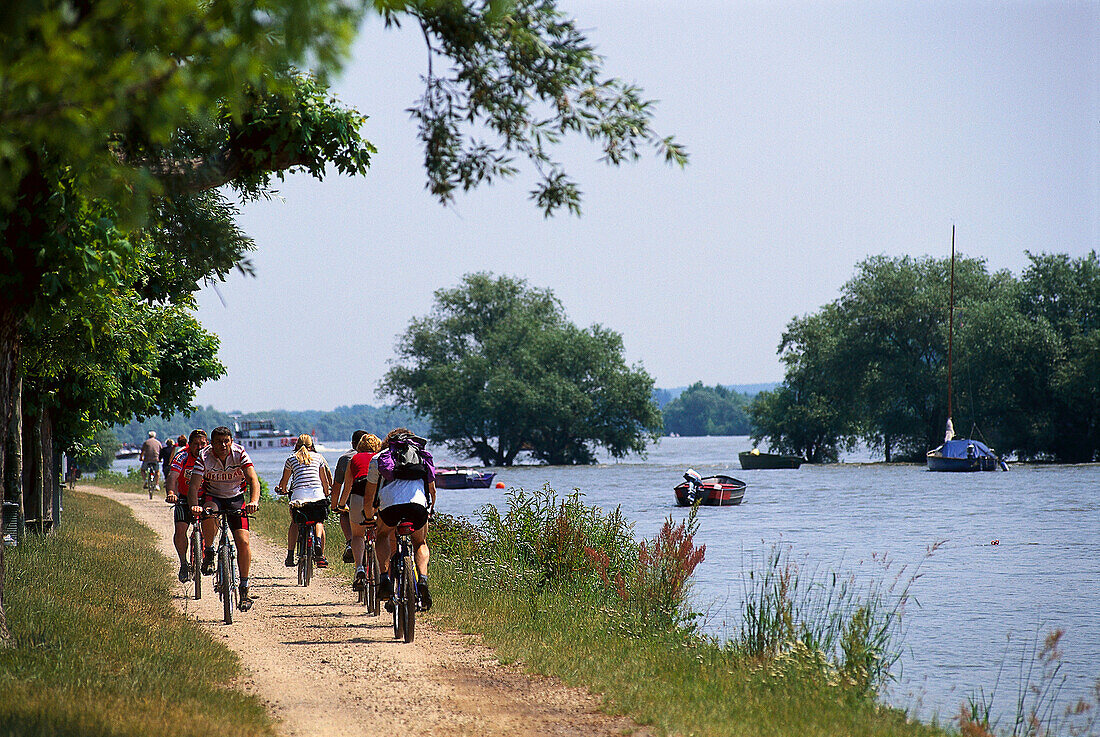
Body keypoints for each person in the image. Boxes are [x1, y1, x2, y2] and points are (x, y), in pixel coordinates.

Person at [361, 428, 436, 610]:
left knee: (383, 535)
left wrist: (370, 518)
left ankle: (385, 578)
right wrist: (430, 510)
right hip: (417, 506)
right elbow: (432, 491)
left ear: (388, 442)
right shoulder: (422, 455)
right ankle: (423, 580)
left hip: (390, 507)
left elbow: (369, 496)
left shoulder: (379, 458)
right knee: (420, 543)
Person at [188, 425, 261, 611]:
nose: (223, 445)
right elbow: (194, 486)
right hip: (214, 496)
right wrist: (194, 506)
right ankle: (210, 551)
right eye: (219, 442)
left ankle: (244, 589)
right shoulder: (204, 456)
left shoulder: (240, 453)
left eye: (226, 441)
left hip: (236, 498)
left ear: (231, 441)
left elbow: (253, 479)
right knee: (208, 513)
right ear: (211, 443)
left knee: (243, 542)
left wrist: (253, 501)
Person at [331, 433, 382, 591]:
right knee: (382, 535)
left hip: (357, 498)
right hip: (378, 500)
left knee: (358, 535)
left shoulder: (354, 459)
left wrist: (340, 505)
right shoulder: (380, 458)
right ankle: (383, 571)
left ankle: (359, 567)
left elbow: (347, 486)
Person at [274, 434, 332, 569]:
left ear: (296, 446)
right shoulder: (318, 458)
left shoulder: (291, 459)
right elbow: (324, 481)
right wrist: (327, 493)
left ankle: (289, 555)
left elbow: (284, 482)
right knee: (319, 522)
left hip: (298, 498)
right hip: (317, 496)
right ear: (312, 446)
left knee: (295, 522)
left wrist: (281, 490)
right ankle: (319, 550)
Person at [165, 429, 208, 582]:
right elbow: (172, 476)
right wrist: (171, 492)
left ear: (207, 443)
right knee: (180, 529)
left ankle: (209, 552)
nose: (200, 447)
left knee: (211, 525)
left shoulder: (210, 456)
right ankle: (184, 563)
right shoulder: (182, 455)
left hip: (205, 497)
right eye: (196, 444)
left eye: (203, 444)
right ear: (189, 445)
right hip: (184, 497)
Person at [329, 429, 367, 564]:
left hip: (353, 499)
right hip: (375, 499)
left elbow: (338, 485)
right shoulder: (377, 456)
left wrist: (335, 506)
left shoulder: (346, 458)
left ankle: (350, 542)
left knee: (344, 513)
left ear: (353, 443)